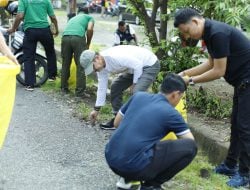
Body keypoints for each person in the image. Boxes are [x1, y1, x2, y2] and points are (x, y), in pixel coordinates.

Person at [174, 8, 250, 188]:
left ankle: (245, 174)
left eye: (186, 31)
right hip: (242, 83)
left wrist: (189, 80)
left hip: (248, 81)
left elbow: (218, 71)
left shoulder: (217, 33)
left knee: (245, 128)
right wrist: (183, 73)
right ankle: (230, 166)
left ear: (195, 22)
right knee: (236, 125)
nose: (187, 36)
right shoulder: (209, 34)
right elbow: (210, 63)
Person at [105, 74, 197, 190]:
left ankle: (127, 179)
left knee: (145, 143)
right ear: (175, 94)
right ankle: (151, 185)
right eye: (180, 97)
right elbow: (190, 142)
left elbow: (116, 123)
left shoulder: (138, 96)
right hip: (132, 166)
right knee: (191, 148)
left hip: (111, 157)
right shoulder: (171, 113)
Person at [80, 45, 160, 130]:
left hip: (149, 64)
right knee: (115, 86)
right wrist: (96, 109)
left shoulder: (114, 57)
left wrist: (134, 83)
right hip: (134, 68)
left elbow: (138, 64)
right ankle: (118, 119)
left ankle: (145, 124)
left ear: (97, 58)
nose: (94, 71)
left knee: (137, 92)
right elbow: (102, 88)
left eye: (93, 67)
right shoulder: (101, 68)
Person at [8, 0, 58, 91]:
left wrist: (13, 28)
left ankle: (30, 85)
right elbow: (53, 17)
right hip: (45, 30)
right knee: (50, 52)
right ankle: (52, 76)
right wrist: (56, 29)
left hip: (30, 30)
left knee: (28, 56)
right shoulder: (46, 1)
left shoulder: (23, 1)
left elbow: (19, 16)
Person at [61, 7, 94, 97]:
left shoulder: (73, 18)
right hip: (78, 38)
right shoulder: (89, 17)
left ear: (78, 12)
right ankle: (80, 92)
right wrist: (88, 43)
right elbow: (90, 29)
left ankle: (63, 88)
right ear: (87, 12)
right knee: (81, 64)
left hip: (65, 37)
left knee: (65, 63)